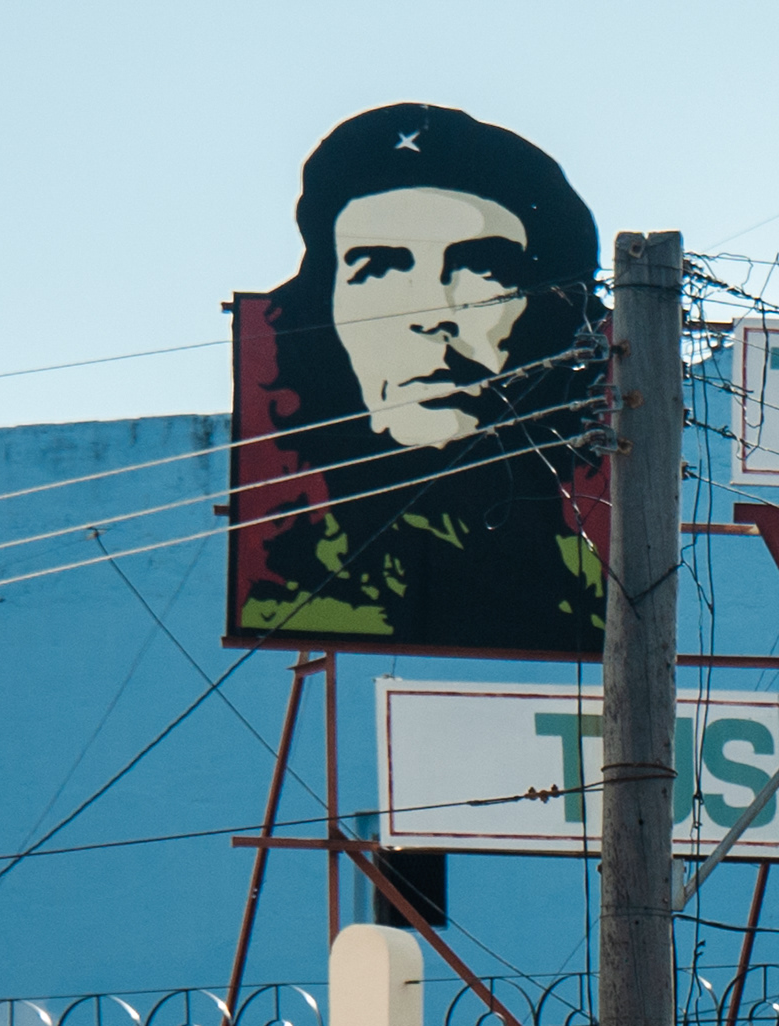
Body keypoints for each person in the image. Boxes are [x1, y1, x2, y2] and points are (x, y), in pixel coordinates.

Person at [229, 103, 607, 655]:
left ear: (548, 314)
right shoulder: (282, 589)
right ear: (323, 310)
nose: (432, 314)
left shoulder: (612, 595)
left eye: (483, 268)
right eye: (378, 267)